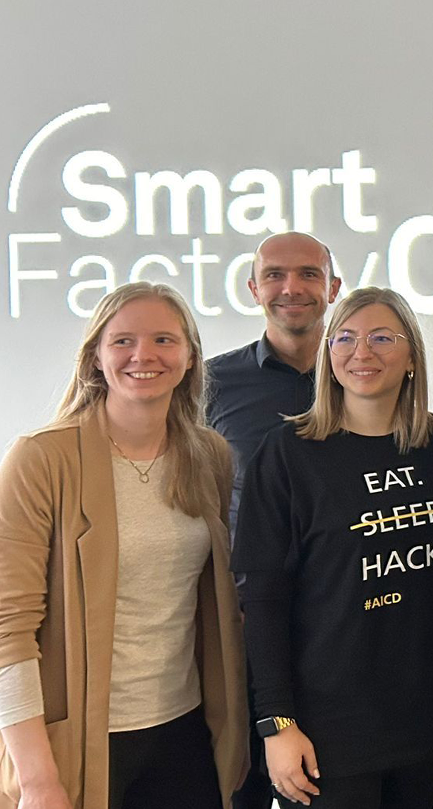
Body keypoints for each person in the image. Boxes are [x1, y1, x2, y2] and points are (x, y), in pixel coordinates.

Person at [233, 288, 433, 809]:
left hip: (425, 714)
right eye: (344, 338)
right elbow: (263, 599)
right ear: (328, 355)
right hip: (324, 725)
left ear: (412, 355)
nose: (361, 352)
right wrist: (276, 722)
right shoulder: (287, 454)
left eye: (381, 338)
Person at [0, 282, 248, 809]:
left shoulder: (210, 456)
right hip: (77, 746)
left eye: (164, 339)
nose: (144, 355)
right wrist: (38, 779)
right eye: (123, 341)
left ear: (189, 357)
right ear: (95, 356)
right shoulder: (41, 459)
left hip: (184, 734)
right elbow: (7, 628)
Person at [205, 231, 342, 809]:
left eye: (309, 274)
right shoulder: (211, 383)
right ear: (253, 288)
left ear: (333, 288)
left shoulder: (361, 372)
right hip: (244, 624)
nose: (293, 288)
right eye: (276, 275)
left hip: (344, 624)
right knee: (242, 789)